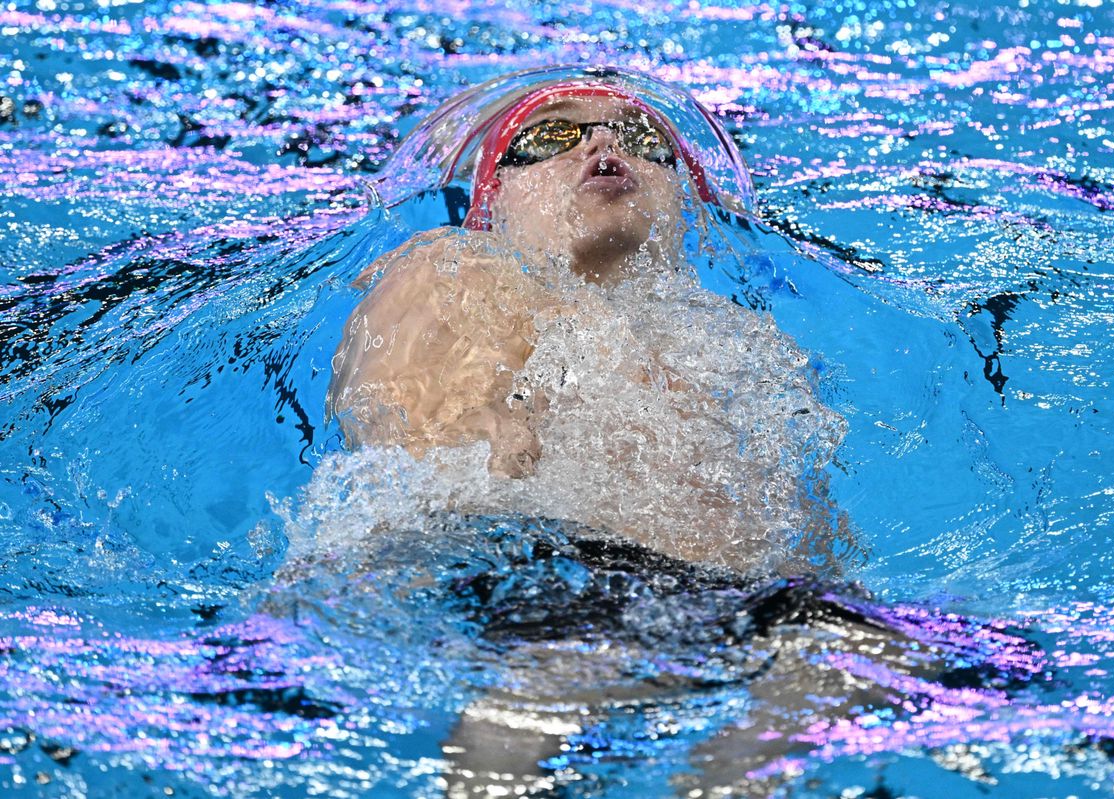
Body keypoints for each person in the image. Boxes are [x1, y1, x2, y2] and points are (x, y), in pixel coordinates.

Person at [316, 67, 927, 797]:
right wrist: (487, 419)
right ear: (492, 201)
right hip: (547, 572)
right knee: (538, 701)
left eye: (642, 138)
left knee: (872, 649)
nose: (605, 143)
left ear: (686, 202)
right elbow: (405, 444)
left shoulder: (742, 340)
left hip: (733, 600)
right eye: (551, 136)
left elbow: (807, 529)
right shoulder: (456, 268)